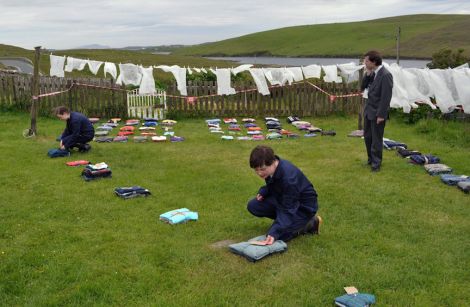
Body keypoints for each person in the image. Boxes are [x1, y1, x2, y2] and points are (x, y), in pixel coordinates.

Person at [247, 145, 322, 245]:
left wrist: (274, 232)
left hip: (302, 208)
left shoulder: (289, 179)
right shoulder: (273, 168)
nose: (260, 173)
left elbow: (288, 208)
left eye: (262, 169)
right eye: (256, 170)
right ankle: (285, 222)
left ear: (273, 162)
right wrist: (264, 191)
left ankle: (310, 223)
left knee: (278, 236)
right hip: (284, 200)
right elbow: (274, 184)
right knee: (254, 206)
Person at [361, 50, 393, 172]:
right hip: (369, 111)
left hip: (378, 113)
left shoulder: (385, 75)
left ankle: (376, 164)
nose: (364, 62)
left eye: (367, 61)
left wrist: (381, 115)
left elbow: (386, 97)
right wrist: (367, 74)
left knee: (376, 139)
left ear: (374, 62)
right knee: (367, 137)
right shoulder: (372, 73)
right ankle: (370, 159)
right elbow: (362, 87)